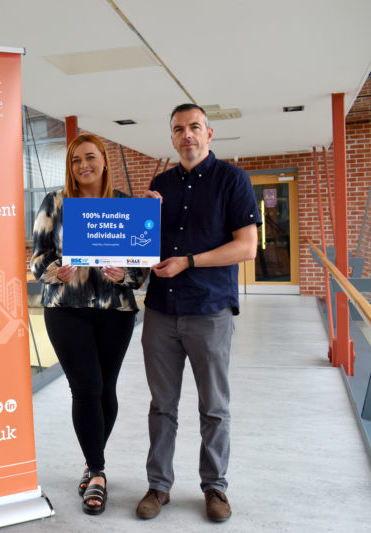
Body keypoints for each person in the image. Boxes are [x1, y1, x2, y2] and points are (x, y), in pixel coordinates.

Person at [136, 103, 260, 522]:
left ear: (209, 134)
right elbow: (145, 247)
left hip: (210, 310)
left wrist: (188, 261)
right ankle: (158, 486)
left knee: (214, 407)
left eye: (194, 127)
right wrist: (140, 222)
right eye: (178, 129)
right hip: (160, 311)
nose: (186, 135)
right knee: (161, 406)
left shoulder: (233, 180)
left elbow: (247, 247)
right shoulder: (160, 183)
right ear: (171, 138)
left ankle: (215, 488)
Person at [31, 134, 148, 515]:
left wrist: (125, 274)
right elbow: (37, 259)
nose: (83, 165)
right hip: (66, 308)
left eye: (91, 157)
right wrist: (53, 271)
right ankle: (97, 473)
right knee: (86, 387)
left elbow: (141, 269)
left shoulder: (126, 206)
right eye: (76, 159)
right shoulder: (56, 203)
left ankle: (89, 462)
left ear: (104, 161)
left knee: (106, 389)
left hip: (115, 310)